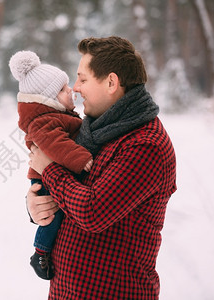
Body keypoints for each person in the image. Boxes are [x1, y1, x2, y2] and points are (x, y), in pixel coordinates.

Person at [26, 36, 177, 299]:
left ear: (111, 83)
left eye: (83, 79)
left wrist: (49, 169)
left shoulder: (145, 145)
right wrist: (37, 204)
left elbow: (92, 211)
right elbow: (68, 192)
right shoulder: (93, 130)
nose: (75, 88)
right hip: (66, 292)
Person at [9, 50, 94, 280]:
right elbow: (56, 145)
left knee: (53, 213)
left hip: (51, 174)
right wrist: (81, 159)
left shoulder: (58, 115)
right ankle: (40, 251)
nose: (71, 91)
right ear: (47, 99)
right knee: (51, 217)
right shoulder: (43, 122)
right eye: (63, 90)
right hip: (44, 178)